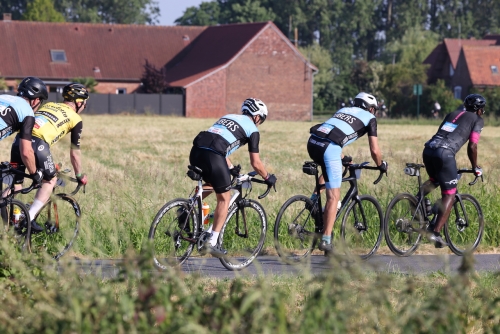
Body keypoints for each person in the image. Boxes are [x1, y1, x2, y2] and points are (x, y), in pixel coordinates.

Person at [188, 98, 277, 257]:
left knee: (211, 183)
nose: (259, 123)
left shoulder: (227, 117)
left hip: (196, 151)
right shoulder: (253, 130)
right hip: (214, 156)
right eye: (261, 120)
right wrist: (267, 177)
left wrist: (230, 168)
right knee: (224, 198)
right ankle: (212, 241)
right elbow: (255, 163)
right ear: (257, 116)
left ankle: (186, 209)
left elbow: (218, 144)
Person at [307, 92, 388, 254]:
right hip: (329, 148)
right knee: (334, 196)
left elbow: (333, 134)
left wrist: (344, 158)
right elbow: (374, 150)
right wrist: (381, 165)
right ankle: (326, 240)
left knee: (330, 167)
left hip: (313, 142)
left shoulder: (343, 110)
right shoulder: (370, 118)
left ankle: (313, 200)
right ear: (370, 108)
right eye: (374, 109)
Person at [10, 83, 89, 232]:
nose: (85, 106)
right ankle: (29, 218)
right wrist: (79, 175)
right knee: (50, 180)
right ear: (79, 103)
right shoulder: (76, 118)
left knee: (16, 181)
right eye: (85, 103)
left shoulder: (49, 105)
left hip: (19, 141)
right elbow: (75, 152)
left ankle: (14, 221)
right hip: (38, 145)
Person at [419, 94, 485, 248]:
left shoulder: (452, 114)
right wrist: (475, 167)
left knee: (435, 179)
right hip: (445, 153)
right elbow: (473, 146)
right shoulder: (477, 120)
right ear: (480, 110)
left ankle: (419, 201)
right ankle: (435, 233)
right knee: (450, 192)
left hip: (428, 150)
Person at [0, 77, 47, 186]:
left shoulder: (3, 97)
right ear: (36, 100)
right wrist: (35, 173)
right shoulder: (27, 112)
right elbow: (26, 152)